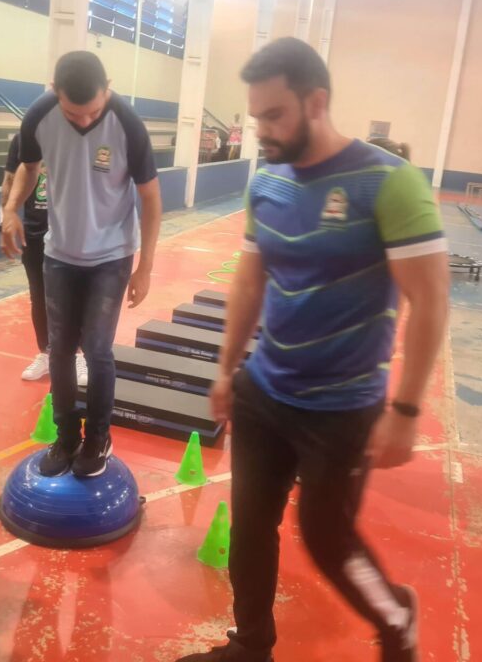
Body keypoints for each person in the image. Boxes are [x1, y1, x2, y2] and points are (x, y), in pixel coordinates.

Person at [178, 38, 449, 662]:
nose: (263, 131)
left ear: (316, 102)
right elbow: (250, 282)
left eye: (275, 115)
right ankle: (251, 646)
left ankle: (396, 617)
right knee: (250, 529)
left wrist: (405, 412)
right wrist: (226, 370)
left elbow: (431, 302)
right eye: (257, 117)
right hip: (264, 391)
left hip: (342, 407)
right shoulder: (267, 182)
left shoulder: (389, 183)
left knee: (327, 540)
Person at [1, 51, 162, 478]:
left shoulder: (127, 122)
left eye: (93, 111)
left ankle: (98, 438)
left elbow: (150, 198)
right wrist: (11, 208)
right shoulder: (39, 116)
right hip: (60, 254)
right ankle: (67, 436)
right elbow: (28, 167)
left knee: (97, 350)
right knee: (59, 350)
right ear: (55, 92)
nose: (86, 120)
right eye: (75, 113)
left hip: (111, 256)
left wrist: (145, 266)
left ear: (107, 89)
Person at [1, 132, 87, 386]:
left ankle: (78, 354)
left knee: (72, 296)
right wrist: (4, 223)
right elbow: (8, 181)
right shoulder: (24, 137)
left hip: (70, 233)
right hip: (35, 233)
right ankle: (46, 353)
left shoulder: (77, 134)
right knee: (38, 296)